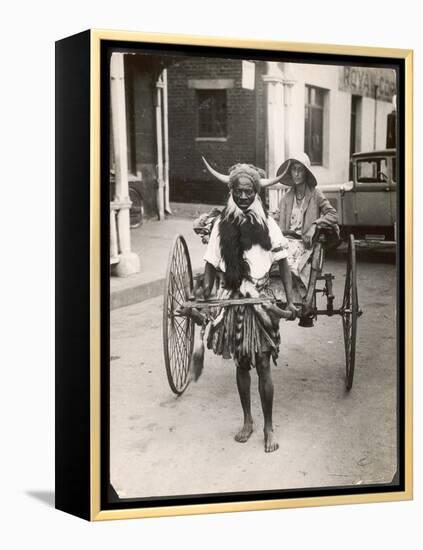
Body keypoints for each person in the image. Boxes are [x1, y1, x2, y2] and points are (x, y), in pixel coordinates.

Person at [199, 158, 298, 453]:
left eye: (249, 191)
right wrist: (205, 296)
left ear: (257, 192)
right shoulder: (221, 226)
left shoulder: (267, 224)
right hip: (234, 301)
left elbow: (283, 262)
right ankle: (247, 420)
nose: (243, 196)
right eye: (238, 191)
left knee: (264, 364)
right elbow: (210, 263)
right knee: (242, 363)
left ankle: (268, 426)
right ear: (231, 192)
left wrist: (291, 301)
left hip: (262, 302)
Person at [273, 152, 338, 302]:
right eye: (293, 170)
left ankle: (302, 301)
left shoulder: (316, 195)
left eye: (300, 169)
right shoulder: (286, 198)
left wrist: (315, 225)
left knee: (292, 267)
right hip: (286, 242)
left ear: (306, 173)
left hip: (306, 244)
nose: (296, 174)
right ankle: (281, 300)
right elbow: (276, 217)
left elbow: (333, 215)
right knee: (271, 264)